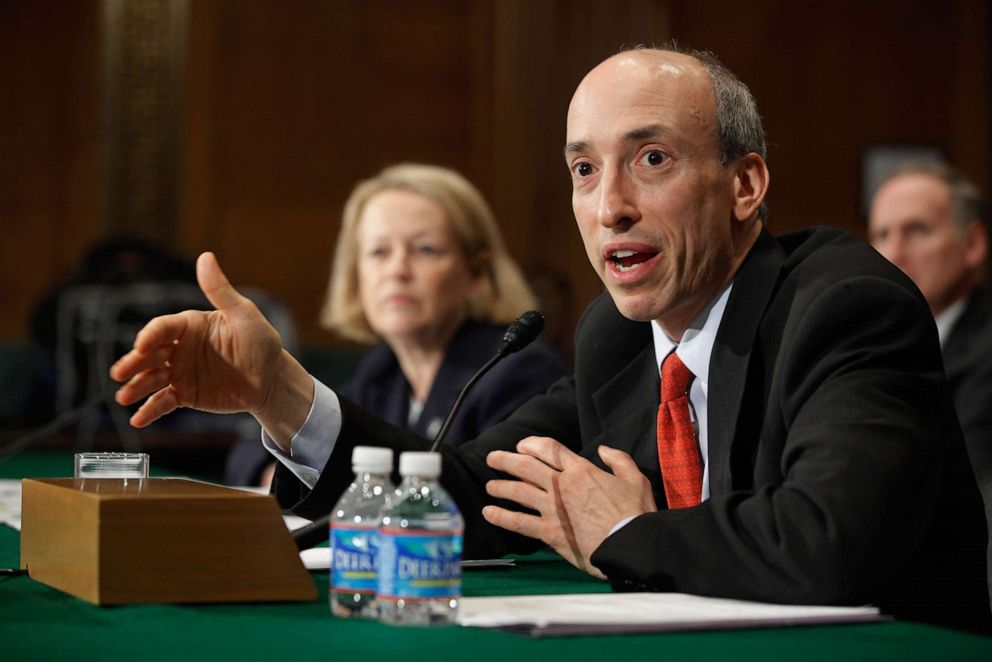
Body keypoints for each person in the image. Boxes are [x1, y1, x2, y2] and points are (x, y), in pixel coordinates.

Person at [109, 47, 989, 631]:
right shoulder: (618, 338)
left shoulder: (846, 305)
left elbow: (828, 542)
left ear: (746, 184)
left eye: (651, 160)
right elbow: (457, 492)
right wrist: (281, 394)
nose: (609, 206)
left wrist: (630, 532)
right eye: (582, 169)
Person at [224, 164, 566, 486]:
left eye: (425, 249)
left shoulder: (516, 371)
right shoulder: (382, 372)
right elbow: (253, 450)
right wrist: (282, 475)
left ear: (475, 274)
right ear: (356, 276)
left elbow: (484, 495)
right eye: (378, 252)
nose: (397, 270)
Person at [868, 163, 992, 508]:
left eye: (917, 231)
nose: (893, 254)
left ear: (973, 244)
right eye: (881, 235)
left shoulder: (985, 354)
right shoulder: (870, 349)